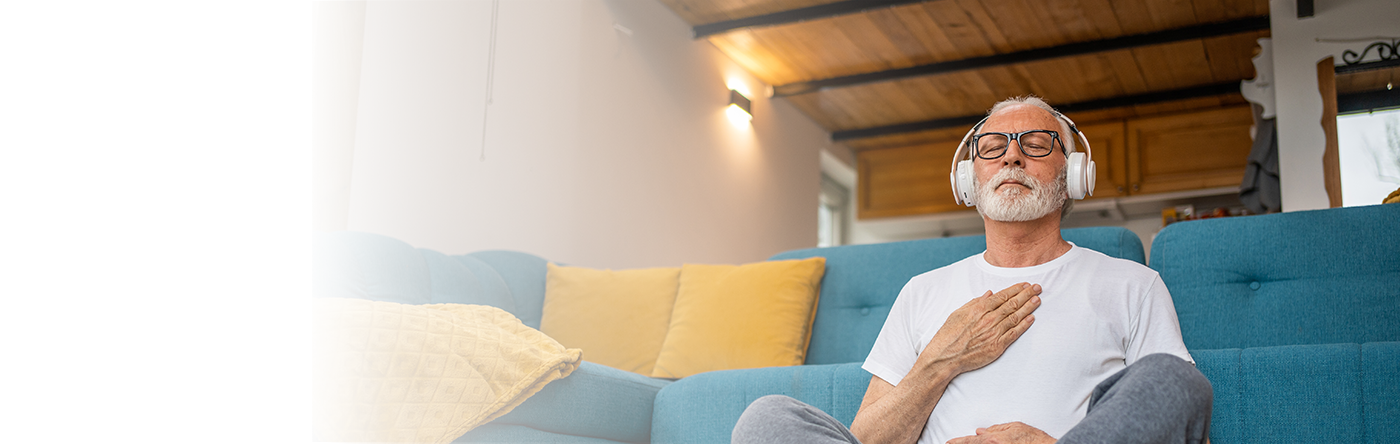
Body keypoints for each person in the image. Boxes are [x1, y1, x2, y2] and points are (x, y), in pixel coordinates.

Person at [731, 96, 1213, 444]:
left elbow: (1184, 423)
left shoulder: (1132, 284)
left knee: (1176, 380)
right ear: (968, 178)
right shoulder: (922, 292)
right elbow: (867, 441)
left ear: (1074, 177)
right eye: (993, 145)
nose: (1011, 154)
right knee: (767, 417)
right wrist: (941, 360)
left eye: (1037, 143)